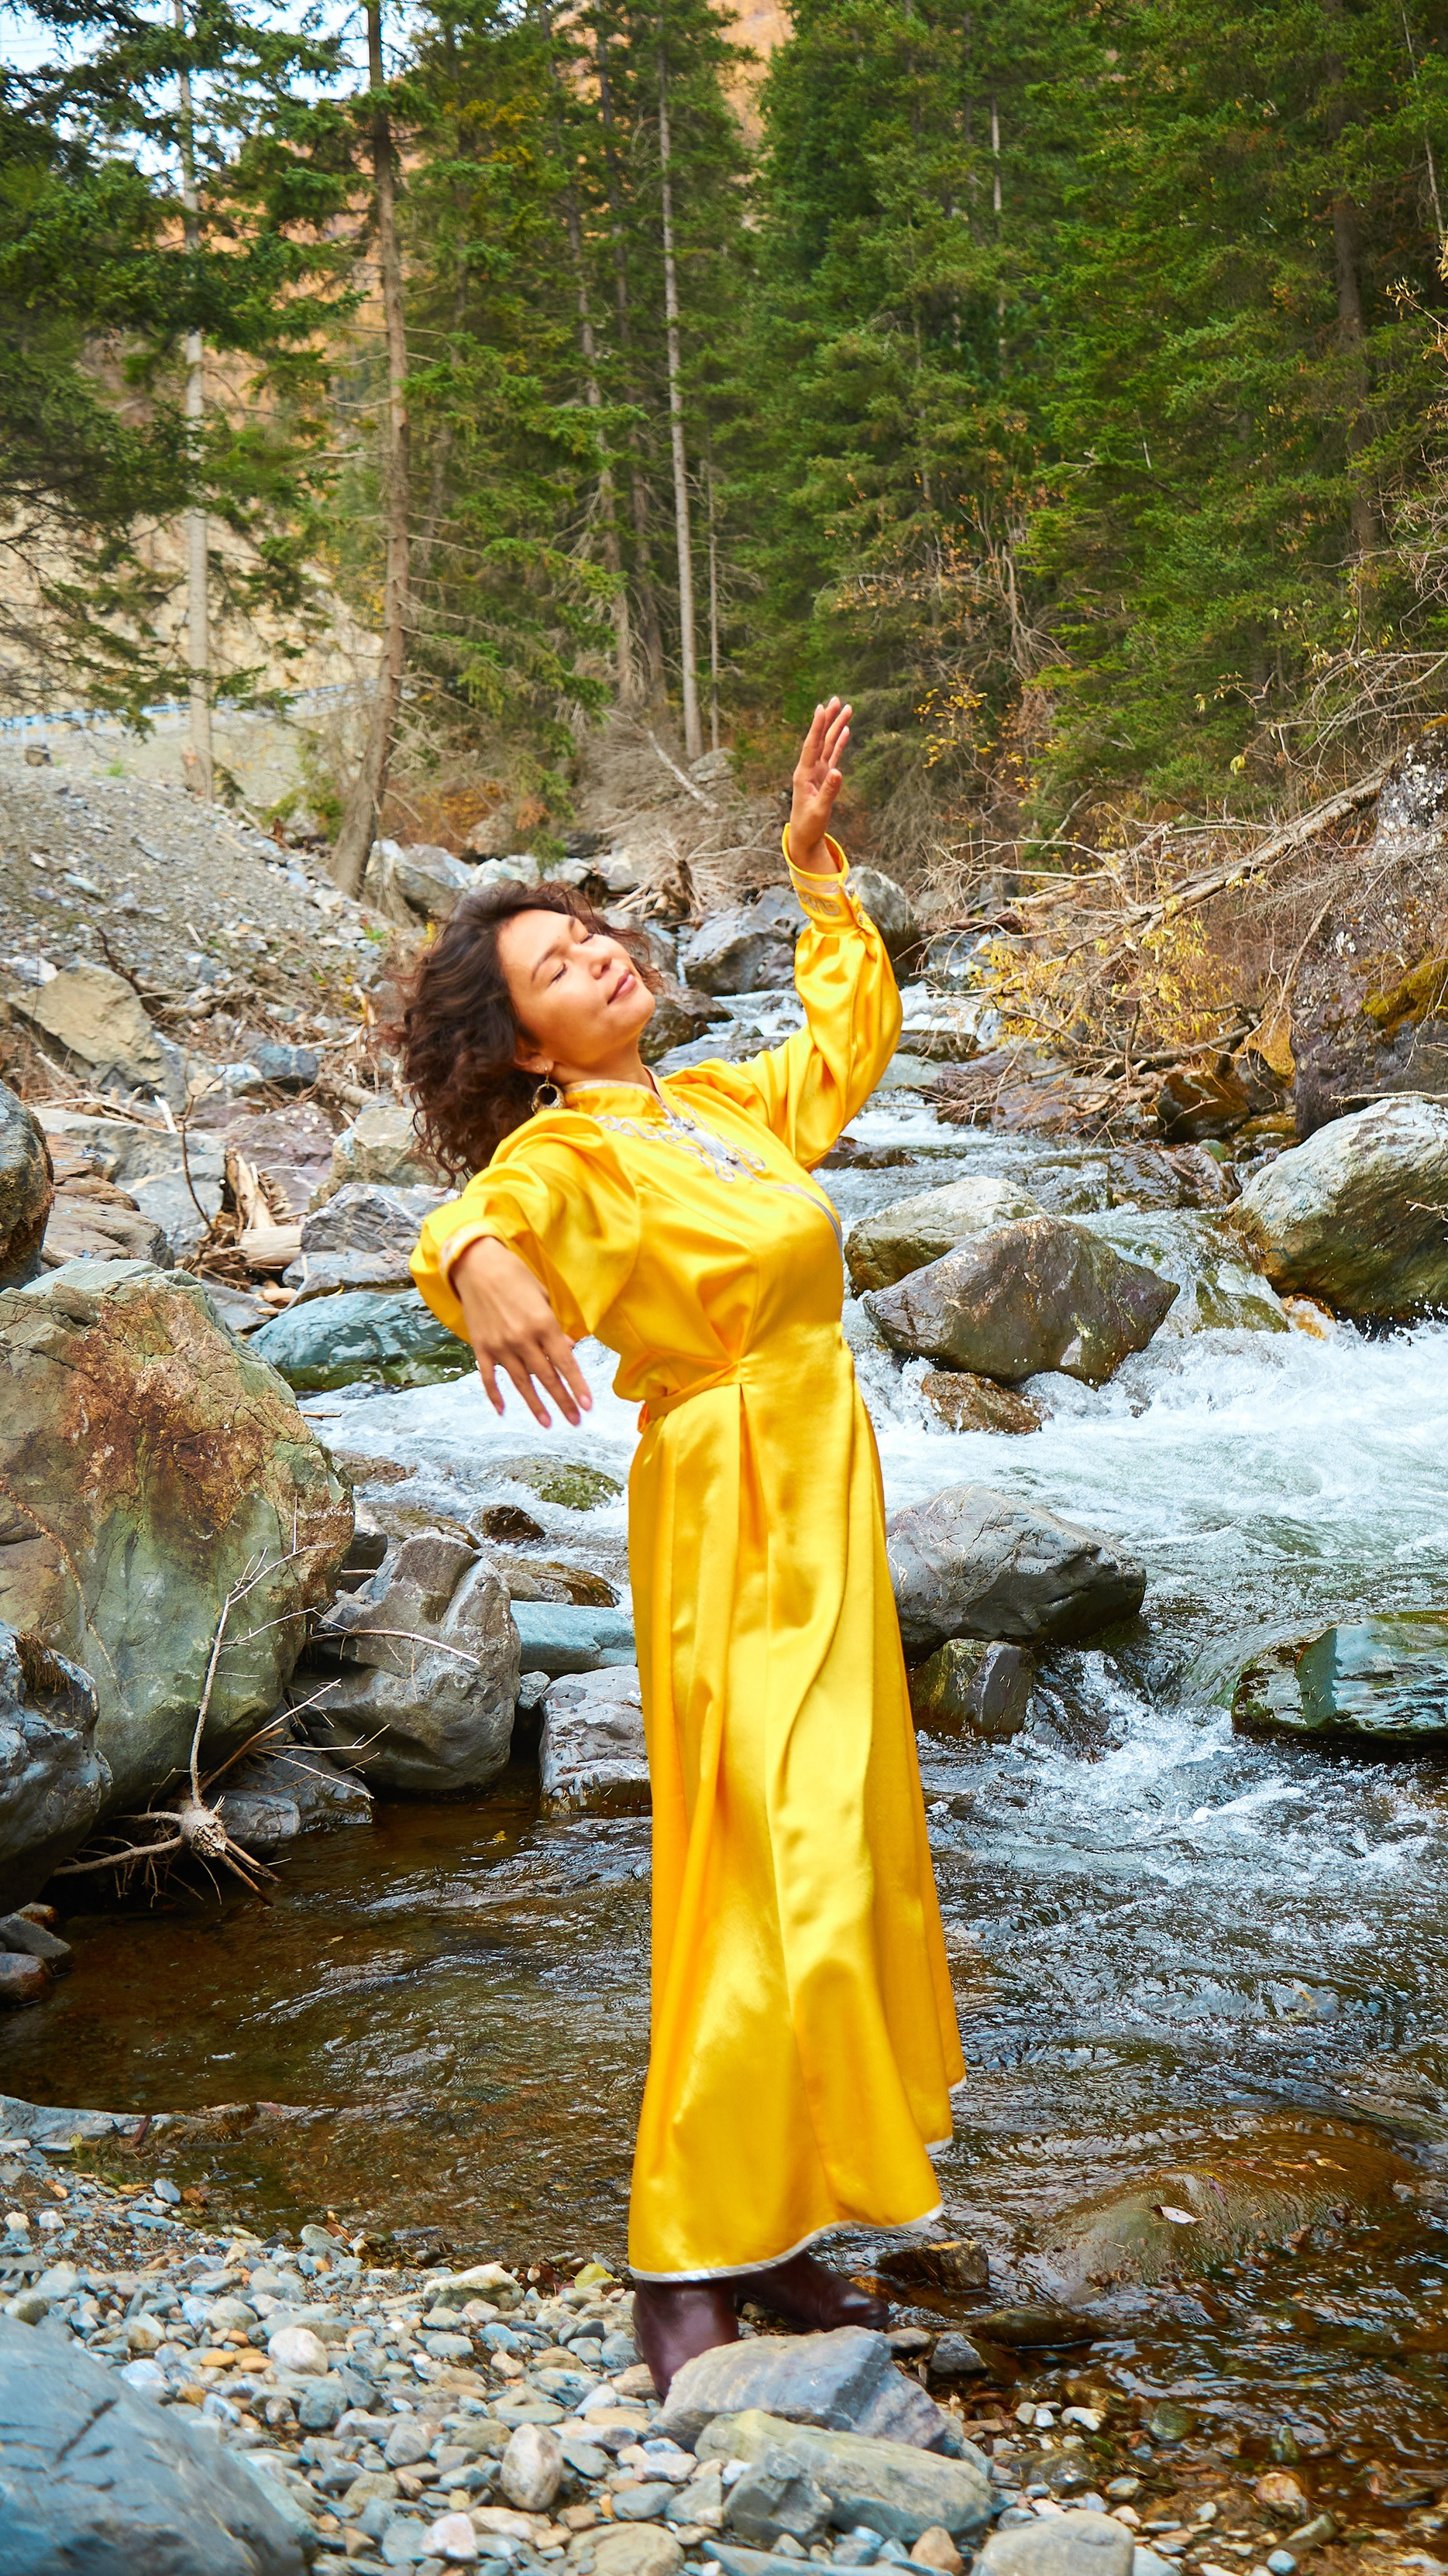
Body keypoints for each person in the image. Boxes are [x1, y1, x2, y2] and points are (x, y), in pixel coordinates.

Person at [397, 702, 963, 2389]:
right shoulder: (568, 1149)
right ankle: (684, 2250)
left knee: (840, 1849)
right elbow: (486, 1218)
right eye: (557, 967)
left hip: (819, 1483)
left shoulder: (710, 1104)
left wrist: (814, 871)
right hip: (730, 1505)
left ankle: (776, 2223)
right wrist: (470, 1258)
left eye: (591, 933)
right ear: (525, 1046)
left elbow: (843, 1046)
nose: (600, 956)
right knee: (765, 1855)